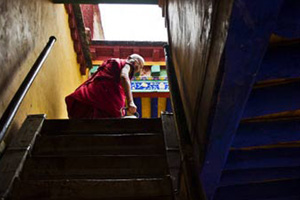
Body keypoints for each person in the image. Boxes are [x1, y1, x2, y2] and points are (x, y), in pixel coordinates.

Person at [65, 54, 145, 119]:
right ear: (130, 58)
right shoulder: (128, 64)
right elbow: (124, 76)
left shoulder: (112, 62)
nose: (138, 67)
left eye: (141, 67)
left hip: (93, 93)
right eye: (138, 62)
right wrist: (131, 102)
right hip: (105, 97)